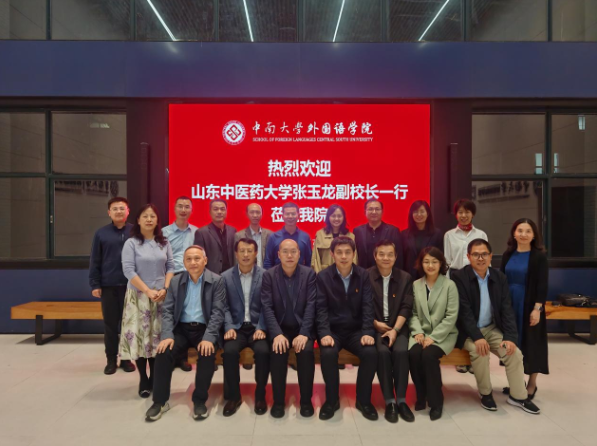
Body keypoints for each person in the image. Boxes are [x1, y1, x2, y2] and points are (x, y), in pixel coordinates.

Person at [451, 239, 540, 414]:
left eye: (484, 254)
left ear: (491, 256)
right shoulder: (459, 277)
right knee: (480, 351)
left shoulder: (499, 278)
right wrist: (477, 337)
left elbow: (507, 309)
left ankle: (518, 396)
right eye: (476, 254)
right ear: (468, 256)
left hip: (491, 328)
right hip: (466, 332)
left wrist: (510, 337)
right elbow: (464, 312)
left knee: (514, 353)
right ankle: (485, 393)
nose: (480, 258)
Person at [145, 245, 226, 421]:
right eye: (188, 259)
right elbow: (167, 311)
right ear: (184, 262)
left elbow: (218, 313)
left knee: (207, 353)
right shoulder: (175, 281)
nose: (193, 262)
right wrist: (167, 335)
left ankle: (199, 401)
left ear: (205, 260)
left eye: (197, 258)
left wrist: (209, 338)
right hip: (181, 329)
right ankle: (160, 402)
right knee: (163, 353)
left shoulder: (217, 281)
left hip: (204, 329)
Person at [317, 236, 378, 421]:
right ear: (332, 254)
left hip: (355, 330)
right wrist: (324, 333)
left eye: (347, 252)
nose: (343, 256)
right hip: (333, 331)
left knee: (370, 352)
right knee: (328, 353)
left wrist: (367, 332)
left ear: (353, 254)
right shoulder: (323, 276)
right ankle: (332, 400)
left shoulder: (363, 275)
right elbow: (321, 309)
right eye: (339, 252)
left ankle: (363, 400)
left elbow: (368, 306)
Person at [119, 204, 174, 398]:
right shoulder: (131, 243)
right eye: (145, 216)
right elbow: (128, 270)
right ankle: (143, 378)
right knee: (141, 338)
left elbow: (171, 266)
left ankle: (155, 378)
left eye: (152, 216)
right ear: (138, 220)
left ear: (157, 220)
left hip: (161, 297)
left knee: (157, 338)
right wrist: (147, 291)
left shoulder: (164, 242)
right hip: (139, 297)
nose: (149, 219)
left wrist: (165, 288)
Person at [261, 239, 317, 419]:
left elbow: (311, 306)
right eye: (285, 251)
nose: (289, 255)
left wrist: (304, 333)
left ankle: (306, 401)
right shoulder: (269, 275)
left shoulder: (309, 274)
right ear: (278, 255)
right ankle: (278, 401)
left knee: (306, 352)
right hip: (280, 328)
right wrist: (277, 334)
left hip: (302, 328)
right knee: (278, 352)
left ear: (300, 254)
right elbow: (267, 307)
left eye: (294, 251)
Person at [408, 247, 459, 421]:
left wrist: (433, 337)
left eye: (434, 262)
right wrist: (418, 332)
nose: (430, 265)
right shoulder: (416, 285)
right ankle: (421, 395)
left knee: (428, 356)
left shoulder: (449, 285)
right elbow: (413, 313)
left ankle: (436, 401)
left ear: (441, 264)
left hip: (443, 334)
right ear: (421, 264)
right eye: (426, 262)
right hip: (420, 332)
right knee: (413, 353)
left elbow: (451, 316)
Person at [500, 218, 548, 399]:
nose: (523, 234)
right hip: (510, 304)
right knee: (513, 343)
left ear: (534, 235)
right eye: (520, 230)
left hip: (529, 304)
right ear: (514, 233)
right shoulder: (507, 254)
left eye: (528, 231)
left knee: (532, 343)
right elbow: (501, 279)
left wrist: (537, 309)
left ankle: (532, 383)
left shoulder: (539, 256)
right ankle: (517, 383)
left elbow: (542, 285)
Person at [221, 238, 270, 417]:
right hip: (236, 327)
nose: (246, 254)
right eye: (242, 251)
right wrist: (229, 326)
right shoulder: (225, 276)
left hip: (257, 327)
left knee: (264, 352)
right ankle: (234, 397)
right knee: (229, 352)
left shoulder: (265, 275)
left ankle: (260, 395)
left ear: (256, 253)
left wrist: (262, 327)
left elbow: (267, 305)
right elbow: (223, 306)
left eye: (250, 251)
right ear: (236, 254)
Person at [368, 240, 414, 423]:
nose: (385, 258)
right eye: (381, 254)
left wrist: (395, 329)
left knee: (402, 352)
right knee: (382, 353)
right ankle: (389, 402)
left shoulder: (405, 278)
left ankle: (401, 400)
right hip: (376, 327)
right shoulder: (366, 276)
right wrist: (375, 324)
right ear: (375, 256)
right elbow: (361, 306)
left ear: (395, 257)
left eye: (390, 254)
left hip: (398, 326)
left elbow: (406, 306)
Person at [89, 197, 135, 375]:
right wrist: (95, 284)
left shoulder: (135, 231)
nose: (119, 211)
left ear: (128, 211)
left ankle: (126, 359)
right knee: (110, 325)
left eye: (122, 208)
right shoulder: (101, 233)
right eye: (115, 209)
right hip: (109, 285)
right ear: (109, 212)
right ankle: (111, 360)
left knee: (128, 324)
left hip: (131, 286)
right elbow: (95, 260)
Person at [444, 198, 487, 373]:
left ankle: (474, 359)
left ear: (472, 214)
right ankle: (461, 359)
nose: (464, 215)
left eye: (467, 212)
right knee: (458, 318)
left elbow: (486, 259)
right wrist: (447, 284)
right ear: (456, 214)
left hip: (476, 276)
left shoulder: (481, 234)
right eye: (460, 212)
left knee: (474, 316)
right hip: (456, 277)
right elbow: (447, 261)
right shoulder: (449, 235)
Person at [162, 195, 199, 372]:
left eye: (187, 206)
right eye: (180, 206)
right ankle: (171, 355)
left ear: (191, 210)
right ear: (174, 208)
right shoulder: (164, 233)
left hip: (192, 276)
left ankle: (183, 358)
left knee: (186, 314)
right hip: (172, 276)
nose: (183, 210)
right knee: (173, 314)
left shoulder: (196, 232)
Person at [354, 199, 404, 270]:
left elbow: (399, 257)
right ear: (365, 212)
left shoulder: (393, 231)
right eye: (370, 209)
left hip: (386, 273)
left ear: (382, 212)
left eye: (377, 209)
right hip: (363, 273)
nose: (374, 212)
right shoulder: (357, 231)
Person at [401, 200, 443, 279]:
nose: (419, 214)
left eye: (422, 211)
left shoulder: (437, 234)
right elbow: (402, 258)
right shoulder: (404, 234)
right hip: (409, 276)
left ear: (428, 213)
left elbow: (440, 257)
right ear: (411, 214)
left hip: (430, 275)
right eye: (416, 212)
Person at [264, 202, 312, 269]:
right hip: (277, 274)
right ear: (282, 216)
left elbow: (309, 261)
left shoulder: (305, 237)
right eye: (287, 214)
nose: (290, 216)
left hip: (300, 274)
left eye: (293, 214)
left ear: (298, 216)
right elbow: (268, 262)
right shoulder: (273, 237)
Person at [194, 199, 236, 274]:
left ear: (226, 212)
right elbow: (198, 258)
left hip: (230, 275)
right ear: (210, 212)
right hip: (211, 275)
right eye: (215, 209)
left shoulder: (233, 231)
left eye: (222, 209)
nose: (219, 212)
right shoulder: (201, 233)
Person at [311, 204, 357, 273]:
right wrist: (319, 276)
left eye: (339, 216)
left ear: (343, 218)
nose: (336, 219)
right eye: (333, 216)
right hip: (324, 274)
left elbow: (354, 259)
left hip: (344, 274)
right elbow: (315, 259)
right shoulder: (320, 234)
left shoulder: (350, 236)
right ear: (328, 217)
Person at [234, 203, 273, 269]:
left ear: (262, 214)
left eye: (258, 212)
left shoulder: (270, 234)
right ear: (247, 214)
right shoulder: (239, 235)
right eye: (252, 212)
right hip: (247, 272)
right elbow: (237, 259)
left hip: (266, 272)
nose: (255, 215)